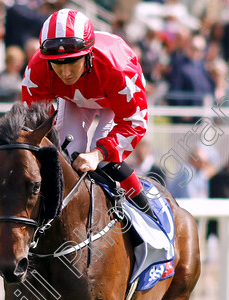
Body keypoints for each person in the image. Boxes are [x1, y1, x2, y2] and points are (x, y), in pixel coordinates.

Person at [21, 8, 155, 216]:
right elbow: (37, 125)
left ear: (88, 54)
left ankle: (148, 215)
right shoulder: (37, 68)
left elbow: (134, 123)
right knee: (64, 156)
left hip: (115, 101)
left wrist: (98, 153)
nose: (65, 72)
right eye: (57, 63)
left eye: (72, 61)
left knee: (105, 160)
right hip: (75, 99)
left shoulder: (118, 70)